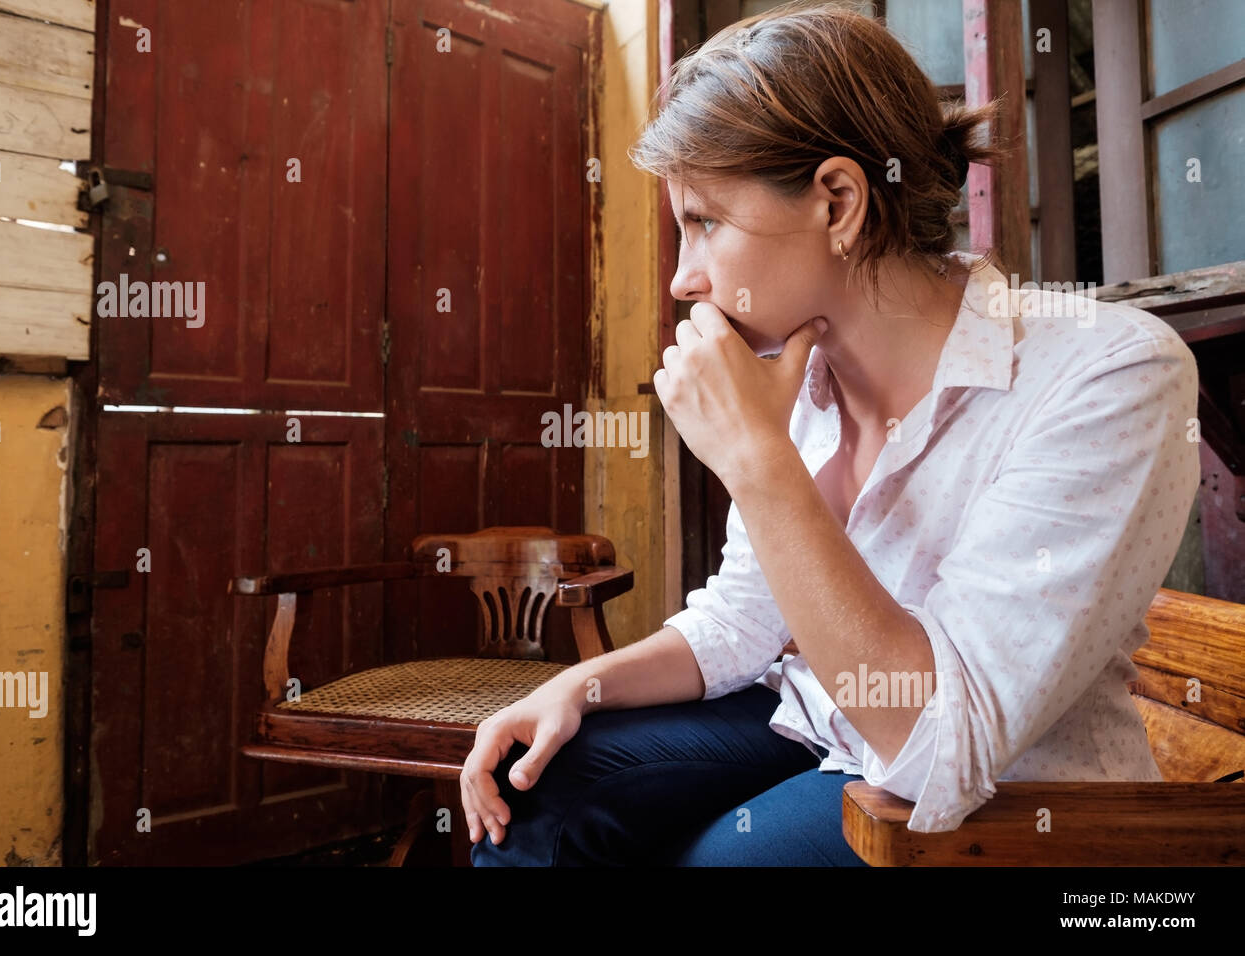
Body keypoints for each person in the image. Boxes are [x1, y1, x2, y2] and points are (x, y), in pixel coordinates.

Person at [461, 2, 1201, 866]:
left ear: (839, 201)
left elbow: (937, 746)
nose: (680, 279)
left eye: (704, 222)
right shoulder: (799, 378)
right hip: (814, 726)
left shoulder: (1105, 370)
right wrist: (580, 684)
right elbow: (743, 621)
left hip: (998, 806)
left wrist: (757, 460)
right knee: (536, 789)